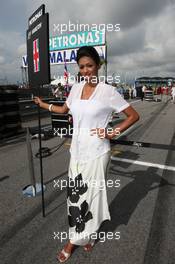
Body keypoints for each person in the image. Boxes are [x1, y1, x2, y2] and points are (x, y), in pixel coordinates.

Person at [34, 46, 139, 263]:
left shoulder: (108, 91)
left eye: (90, 65)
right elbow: (64, 110)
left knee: (90, 197)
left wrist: (112, 131)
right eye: (82, 67)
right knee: (75, 198)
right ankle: (87, 235)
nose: (86, 70)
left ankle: (72, 242)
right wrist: (43, 104)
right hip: (77, 151)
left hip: (98, 152)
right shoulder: (76, 88)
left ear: (98, 66)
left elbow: (133, 115)